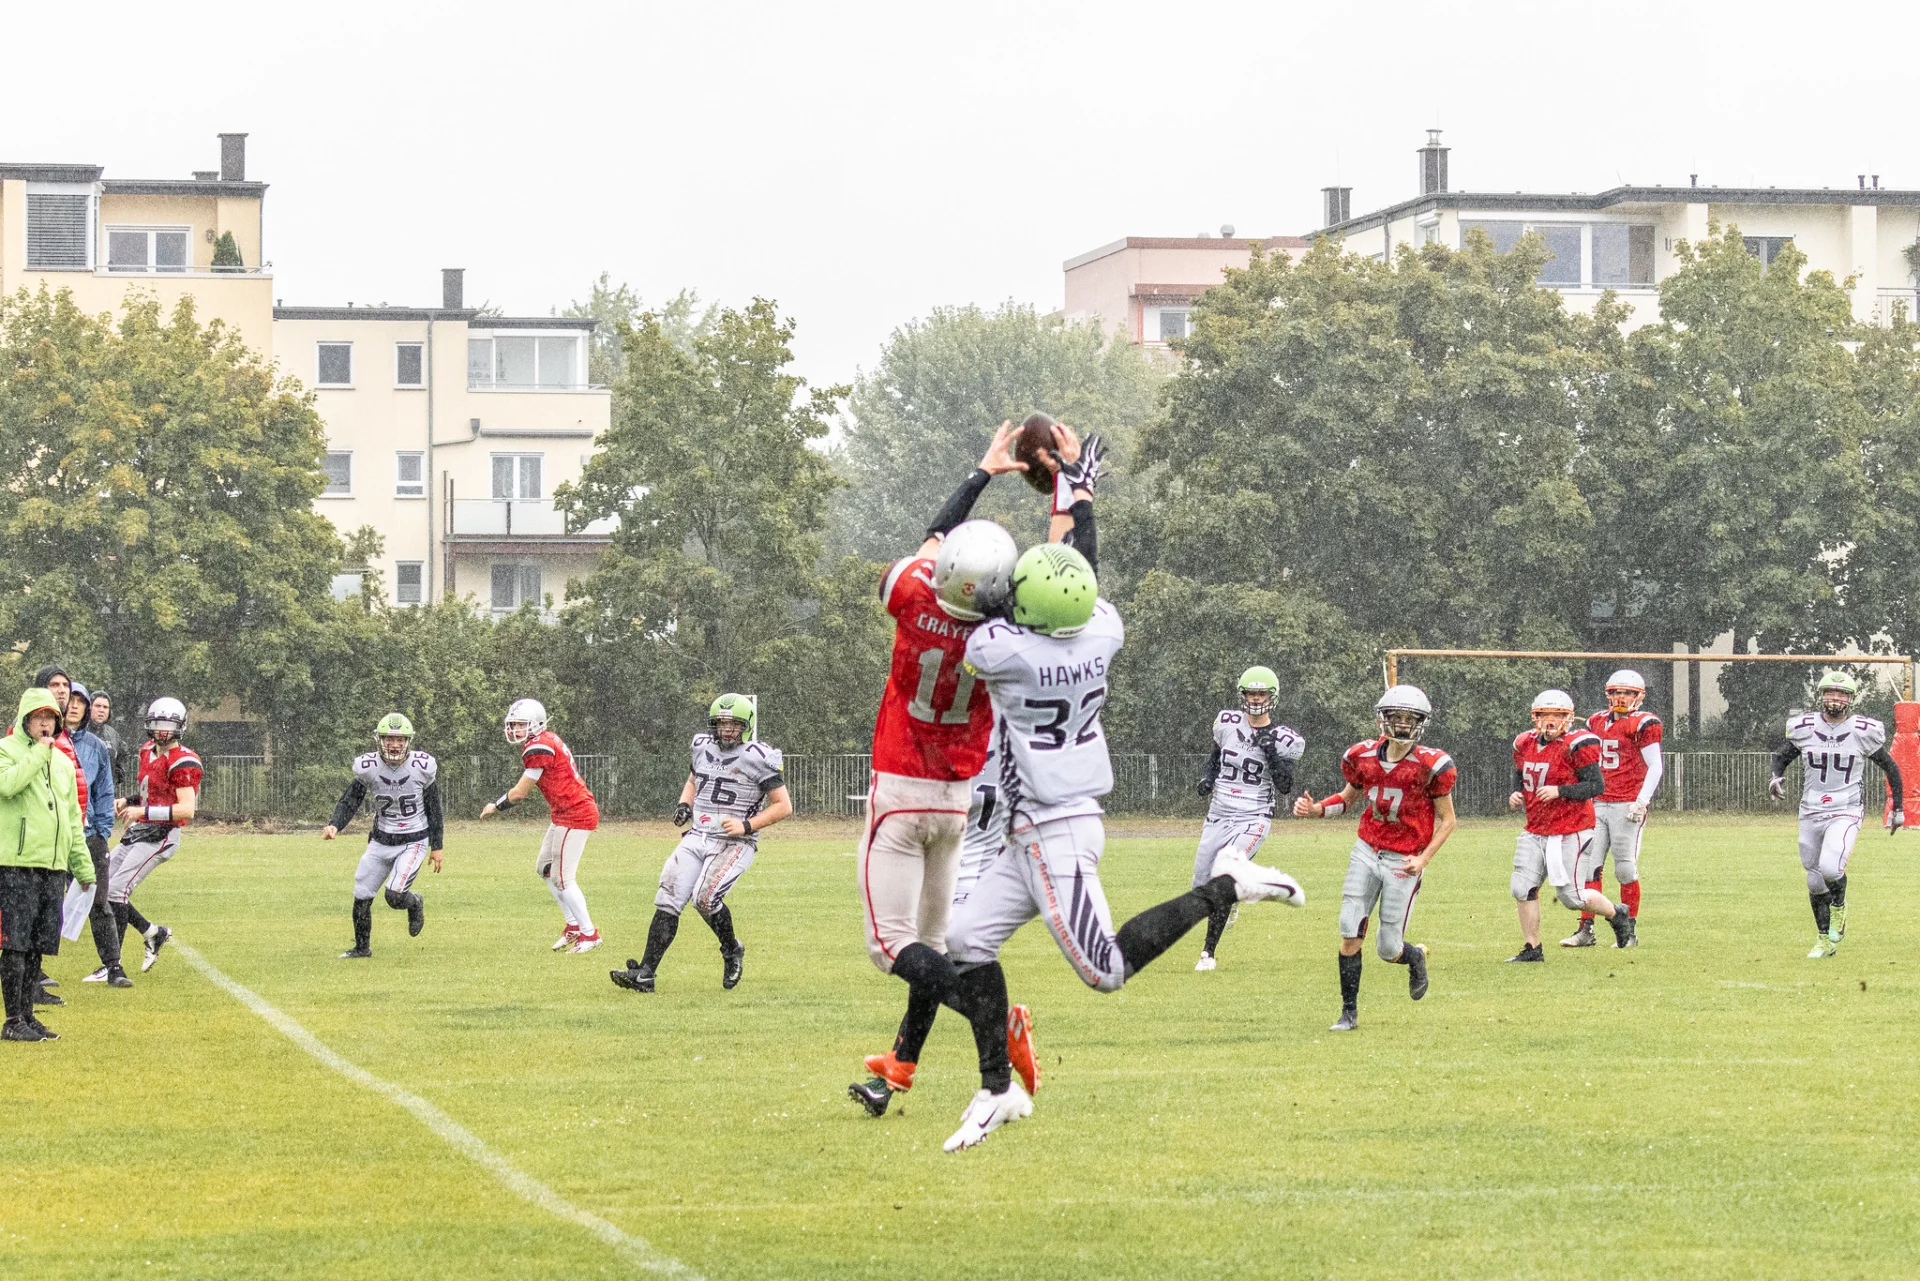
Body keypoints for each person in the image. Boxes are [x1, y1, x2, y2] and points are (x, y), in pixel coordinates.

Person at [941, 491, 1305, 1152]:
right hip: (1039, 821)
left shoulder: (1006, 653)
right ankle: (998, 1090)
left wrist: (1002, 560)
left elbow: (986, 609)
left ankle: (1229, 886)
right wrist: (1079, 502)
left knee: (1105, 968)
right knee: (965, 940)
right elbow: (1083, 581)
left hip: (1052, 830)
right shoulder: (1103, 630)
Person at [848, 422, 1033, 1119]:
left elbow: (932, 538)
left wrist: (981, 473)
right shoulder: (1006, 633)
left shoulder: (913, 593)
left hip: (901, 788)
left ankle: (994, 1021)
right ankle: (900, 1067)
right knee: (931, 944)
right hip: (957, 800)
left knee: (890, 947)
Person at [1295, 685, 1457, 1031]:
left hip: (1404, 859)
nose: (1402, 724)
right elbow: (1346, 799)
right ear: (1383, 719)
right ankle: (1348, 1013)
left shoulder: (1430, 765)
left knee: (1388, 949)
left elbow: (1448, 820)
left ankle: (1414, 957)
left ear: (1421, 723)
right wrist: (1317, 810)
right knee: (1350, 932)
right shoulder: (1363, 756)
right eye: (1397, 717)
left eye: (1410, 718)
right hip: (1367, 851)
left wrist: (1424, 859)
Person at [611, 695, 792, 993]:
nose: (727, 730)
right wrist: (685, 804)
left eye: (734, 724)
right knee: (669, 897)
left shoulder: (759, 756)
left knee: (705, 899)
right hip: (698, 835)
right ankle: (645, 974)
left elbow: (783, 806)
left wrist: (747, 825)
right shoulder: (702, 746)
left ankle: (731, 949)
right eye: (721, 723)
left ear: (746, 725)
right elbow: (694, 780)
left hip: (735, 841)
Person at [1769, 671, 1903, 958]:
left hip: (1846, 807)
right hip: (1810, 808)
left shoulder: (1862, 731)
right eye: (1830, 692)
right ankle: (1823, 940)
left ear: (1850, 699)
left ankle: (1839, 907)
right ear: (1821, 695)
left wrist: (1899, 808)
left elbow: (1890, 766)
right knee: (1814, 880)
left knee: (1830, 868)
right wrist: (1775, 777)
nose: (1835, 698)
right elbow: (1782, 756)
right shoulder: (1806, 727)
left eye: (1841, 694)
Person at [1190, 666, 1305, 971]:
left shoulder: (1283, 738)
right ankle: (1236, 896)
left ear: (1272, 697)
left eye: (1261, 693)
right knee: (1199, 885)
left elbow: (1284, 785)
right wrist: (1207, 778)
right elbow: (1215, 759)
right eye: (1251, 693)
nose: (1256, 699)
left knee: (1224, 874)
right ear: (1243, 695)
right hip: (1219, 813)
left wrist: (1271, 753)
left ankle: (1207, 954)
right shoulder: (1227, 723)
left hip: (1254, 816)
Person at [1506, 690, 1634, 961]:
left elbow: (1596, 786)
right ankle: (1532, 949)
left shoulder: (1577, 744)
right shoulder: (1524, 743)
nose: (1550, 720)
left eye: (1557, 715)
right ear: (1535, 717)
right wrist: (1516, 792)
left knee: (1571, 897)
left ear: (1568, 718)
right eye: (1544, 715)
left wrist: (1560, 790)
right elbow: (1521, 774)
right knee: (1522, 887)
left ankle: (1616, 914)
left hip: (1571, 828)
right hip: (1536, 827)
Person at [1, 688, 93, 1041]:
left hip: (52, 867)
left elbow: (72, 821)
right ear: (26, 718)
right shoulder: (5, 750)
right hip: (15, 865)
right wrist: (40, 751)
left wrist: (83, 867)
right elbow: (8, 785)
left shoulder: (64, 764)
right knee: (15, 945)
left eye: (51, 717)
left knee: (38, 946)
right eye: (39, 716)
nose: (45, 723)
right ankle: (12, 1020)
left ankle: (28, 1015)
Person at [480, 698, 602, 953]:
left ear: (535, 723)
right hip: (563, 812)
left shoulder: (539, 747)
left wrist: (495, 806)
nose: (514, 729)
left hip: (576, 813)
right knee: (544, 868)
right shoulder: (544, 740)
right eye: (513, 724)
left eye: (520, 724)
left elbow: (519, 794)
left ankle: (590, 934)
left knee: (563, 878)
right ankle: (573, 925)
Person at [323, 713, 445, 959]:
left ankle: (414, 902)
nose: (395, 744)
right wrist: (335, 824)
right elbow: (351, 800)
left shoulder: (421, 767)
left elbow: (434, 806)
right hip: (381, 840)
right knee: (362, 894)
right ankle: (362, 948)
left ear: (408, 741)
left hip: (413, 840)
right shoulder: (369, 767)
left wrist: (437, 845)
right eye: (389, 739)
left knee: (395, 896)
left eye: (400, 739)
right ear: (379, 740)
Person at [1565, 669, 1663, 948]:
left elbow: (1655, 765)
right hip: (1597, 803)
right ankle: (1586, 929)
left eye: (1627, 692)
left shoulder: (1644, 723)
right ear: (1608, 694)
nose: (1621, 697)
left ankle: (1628, 931)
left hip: (1627, 804)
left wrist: (1642, 800)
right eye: (1617, 692)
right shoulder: (1596, 721)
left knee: (1625, 869)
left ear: (1639, 696)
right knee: (1589, 869)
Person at [108, 698, 201, 972]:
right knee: (104, 887)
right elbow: (152, 794)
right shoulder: (146, 750)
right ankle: (152, 932)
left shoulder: (183, 761)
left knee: (116, 891)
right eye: (158, 724)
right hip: (141, 829)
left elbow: (186, 809)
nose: (162, 731)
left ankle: (112, 966)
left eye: (168, 725)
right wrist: (128, 800)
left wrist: (143, 811)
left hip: (162, 835)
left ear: (180, 727)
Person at [64, 684, 130, 988]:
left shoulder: (95, 746)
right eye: (71, 700)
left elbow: (104, 790)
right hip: (52, 836)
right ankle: (34, 972)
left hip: (89, 835)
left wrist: (102, 831)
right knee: (43, 903)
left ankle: (113, 966)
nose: (75, 706)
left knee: (99, 901)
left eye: (81, 701)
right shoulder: (48, 741)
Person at [89, 690, 125, 791]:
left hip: (107, 791)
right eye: (97, 706)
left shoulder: (113, 734)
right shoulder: (80, 732)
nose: (101, 710)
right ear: (89, 708)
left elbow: (122, 756)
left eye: (105, 707)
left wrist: (117, 777)